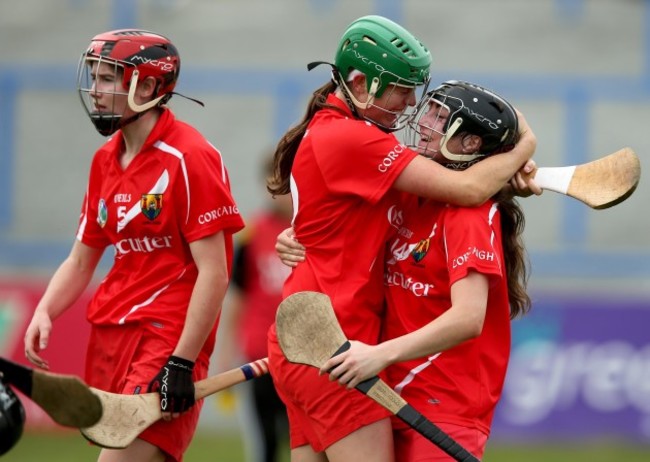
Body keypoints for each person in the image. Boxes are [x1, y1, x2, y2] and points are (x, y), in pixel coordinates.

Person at [265, 15, 537, 462]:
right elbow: (468, 187)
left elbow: (456, 190)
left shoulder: (350, 135)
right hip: (338, 344)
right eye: (401, 88)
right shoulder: (353, 138)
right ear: (359, 82)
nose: (412, 104)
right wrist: (522, 148)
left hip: (315, 338)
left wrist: (507, 176)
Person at [23, 29, 244, 462]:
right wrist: (45, 309)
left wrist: (182, 361)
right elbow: (82, 258)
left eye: (108, 78)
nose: (96, 90)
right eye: (94, 76)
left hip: (166, 338)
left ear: (146, 87)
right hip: (112, 329)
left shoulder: (190, 157)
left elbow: (214, 273)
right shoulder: (104, 159)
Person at [319, 80, 532, 461]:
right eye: (430, 109)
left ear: (469, 144)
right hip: (388, 396)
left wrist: (380, 354)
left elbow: (468, 318)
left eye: (440, 116)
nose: (424, 121)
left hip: (445, 408)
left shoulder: (469, 215)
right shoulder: (410, 196)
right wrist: (295, 236)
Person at [216, 155, 291, 462]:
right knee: (265, 446)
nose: (280, 192)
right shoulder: (251, 235)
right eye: (275, 184)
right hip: (260, 358)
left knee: (311, 445)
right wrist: (224, 361)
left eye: (287, 184)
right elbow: (236, 299)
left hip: (304, 358)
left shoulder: (316, 231)